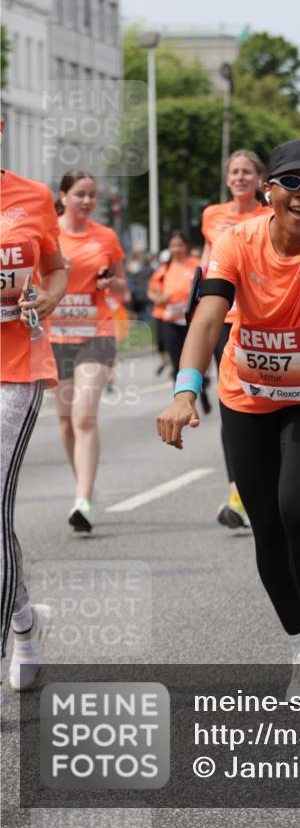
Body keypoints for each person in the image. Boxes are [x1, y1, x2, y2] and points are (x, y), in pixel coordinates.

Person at [157, 140, 300, 696]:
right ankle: (298, 647)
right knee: (266, 527)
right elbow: (207, 319)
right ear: (268, 190)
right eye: (291, 182)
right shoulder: (236, 241)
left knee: (298, 507)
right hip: (246, 400)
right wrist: (184, 390)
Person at [1, 163, 68, 689]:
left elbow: (56, 267)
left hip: (14, 370)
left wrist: (50, 296)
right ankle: (24, 624)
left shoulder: (34, 196)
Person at [51, 171, 127, 533]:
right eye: (80, 194)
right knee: (65, 422)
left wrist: (113, 283)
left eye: (92, 195)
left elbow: (124, 289)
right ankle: (84, 483)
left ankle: (82, 500)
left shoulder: (107, 237)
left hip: (96, 334)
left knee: (83, 417)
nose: (86, 201)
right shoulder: (47, 234)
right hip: (55, 337)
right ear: (63, 196)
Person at [200, 150, 266, 530]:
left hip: (261, 321)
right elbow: (209, 261)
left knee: (263, 401)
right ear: (227, 179)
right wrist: (196, 299)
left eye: (247, 172)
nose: (240, 177)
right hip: (224, 320)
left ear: (259, 179)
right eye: (234, 172)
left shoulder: (269, 215)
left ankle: (261, 486)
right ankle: (237, 493)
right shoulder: (212, 215)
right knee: (232, 402)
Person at [146, 231, 206, 410]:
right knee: (176, 361)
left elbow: (206, 287)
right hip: (170, 320)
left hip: (192, 320)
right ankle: (179, 400)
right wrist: (159, 297)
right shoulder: (164, 269)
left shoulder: (197, 265)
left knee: (194, 360)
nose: (176, 249)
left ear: (186, 246)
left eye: (180, 245)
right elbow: (152, 291)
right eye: (173, 245)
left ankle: (201, 391)